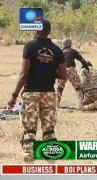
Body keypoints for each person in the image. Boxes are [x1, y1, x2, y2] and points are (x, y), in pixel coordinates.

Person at [7, 19, 67, 163]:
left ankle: (29, 158)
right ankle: (52, 160)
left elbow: (24, 73)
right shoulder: (57, 50)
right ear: (49, 31)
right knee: (49, 129)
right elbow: (64, 76)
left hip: (31, 93)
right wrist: (50, 71)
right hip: (49, 94)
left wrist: (14, 95)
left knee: (29, 129)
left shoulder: (30, 46)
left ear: (38, 30)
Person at [56, 38, 89, 108]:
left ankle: (57, 103)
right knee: (78, 87)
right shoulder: (73, 51)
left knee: (60, 87)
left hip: (62, 70)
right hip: (71, 70)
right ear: (70, 44)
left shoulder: (60, 52)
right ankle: (79, 104)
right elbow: (82, 60)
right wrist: (86, 67)